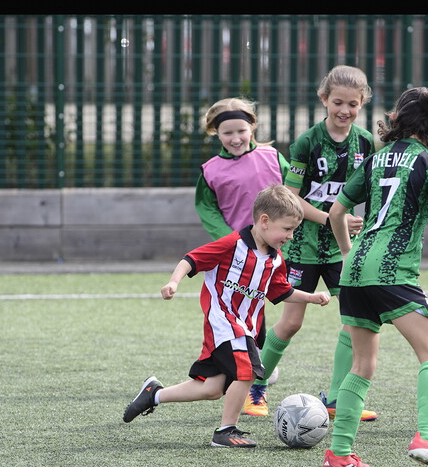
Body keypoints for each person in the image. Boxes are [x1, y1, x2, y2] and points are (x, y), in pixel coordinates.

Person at [320, 85, 428, 467]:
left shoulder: (377, 160)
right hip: (391, 271)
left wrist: (348, 254)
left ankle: (339, 454)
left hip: (355, 270)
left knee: (361, 365)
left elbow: (336, 211)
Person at [122, 185, 330, 448]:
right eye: (287, 229)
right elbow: (191, 259)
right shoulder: (232, 245)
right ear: (264, 221)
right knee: (247, 371)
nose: (290, 236)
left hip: (247, 329)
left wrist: (310, 298)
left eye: (293, 230)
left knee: (212, 388)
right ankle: (225, 432)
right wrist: (174, 282)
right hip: (224, 322)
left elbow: (280, 292)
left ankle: (154, 394)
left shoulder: (275, 260)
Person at [242, 65, 377, 423]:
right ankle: (254, 389)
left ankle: (336, 399)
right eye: (337, 103)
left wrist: (359, 223)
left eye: (352, 104)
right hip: (302, 246)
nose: (344, 111)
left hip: (343, 248)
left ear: (362, 103)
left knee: (353, 322)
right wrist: (333, 218)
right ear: (323, 100)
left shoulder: (365, 141)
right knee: (290, 324)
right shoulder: (308, 142)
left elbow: (370, 190)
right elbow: (292, 197)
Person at [194, 97, 290, 362]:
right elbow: (207, 209)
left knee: (260, 300)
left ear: (252, 128)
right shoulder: (211, 170)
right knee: (234, 304)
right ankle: (231, 355)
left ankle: (257, 356)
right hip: (236, 252)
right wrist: (231, 240)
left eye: (241, 131)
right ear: (216, 132)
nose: (235, 138)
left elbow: (293, 196)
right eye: (228, 133)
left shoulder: (272, 157)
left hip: (274, 248)